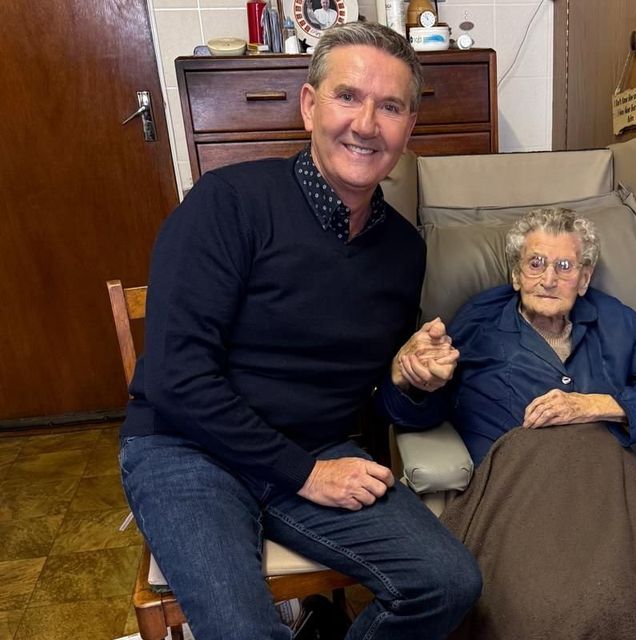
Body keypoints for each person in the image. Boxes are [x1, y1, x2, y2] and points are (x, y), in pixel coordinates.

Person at [119, 22, 480, 640]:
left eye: (390, 106)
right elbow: (178, 380)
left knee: (448, 584)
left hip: (317, 447)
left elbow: (380, 404)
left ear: (408, 128)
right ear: (310, 105)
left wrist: (413, 381)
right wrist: (305, 474)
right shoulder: (226, 203)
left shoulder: (401, 249)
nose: (366, 124)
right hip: (188, 449)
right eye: (348, 96)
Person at [383, 208, 636, 639]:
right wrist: (415, 383)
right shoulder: (479, 322)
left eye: (565, 266)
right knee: (553, 607)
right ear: (516, 274)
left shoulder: (617, 322)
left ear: (584, 277)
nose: (549, 278)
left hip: (609, 491)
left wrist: (596, 404)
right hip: (517, 494)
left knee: (624, 596)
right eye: (536, 263)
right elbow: (421, 412)